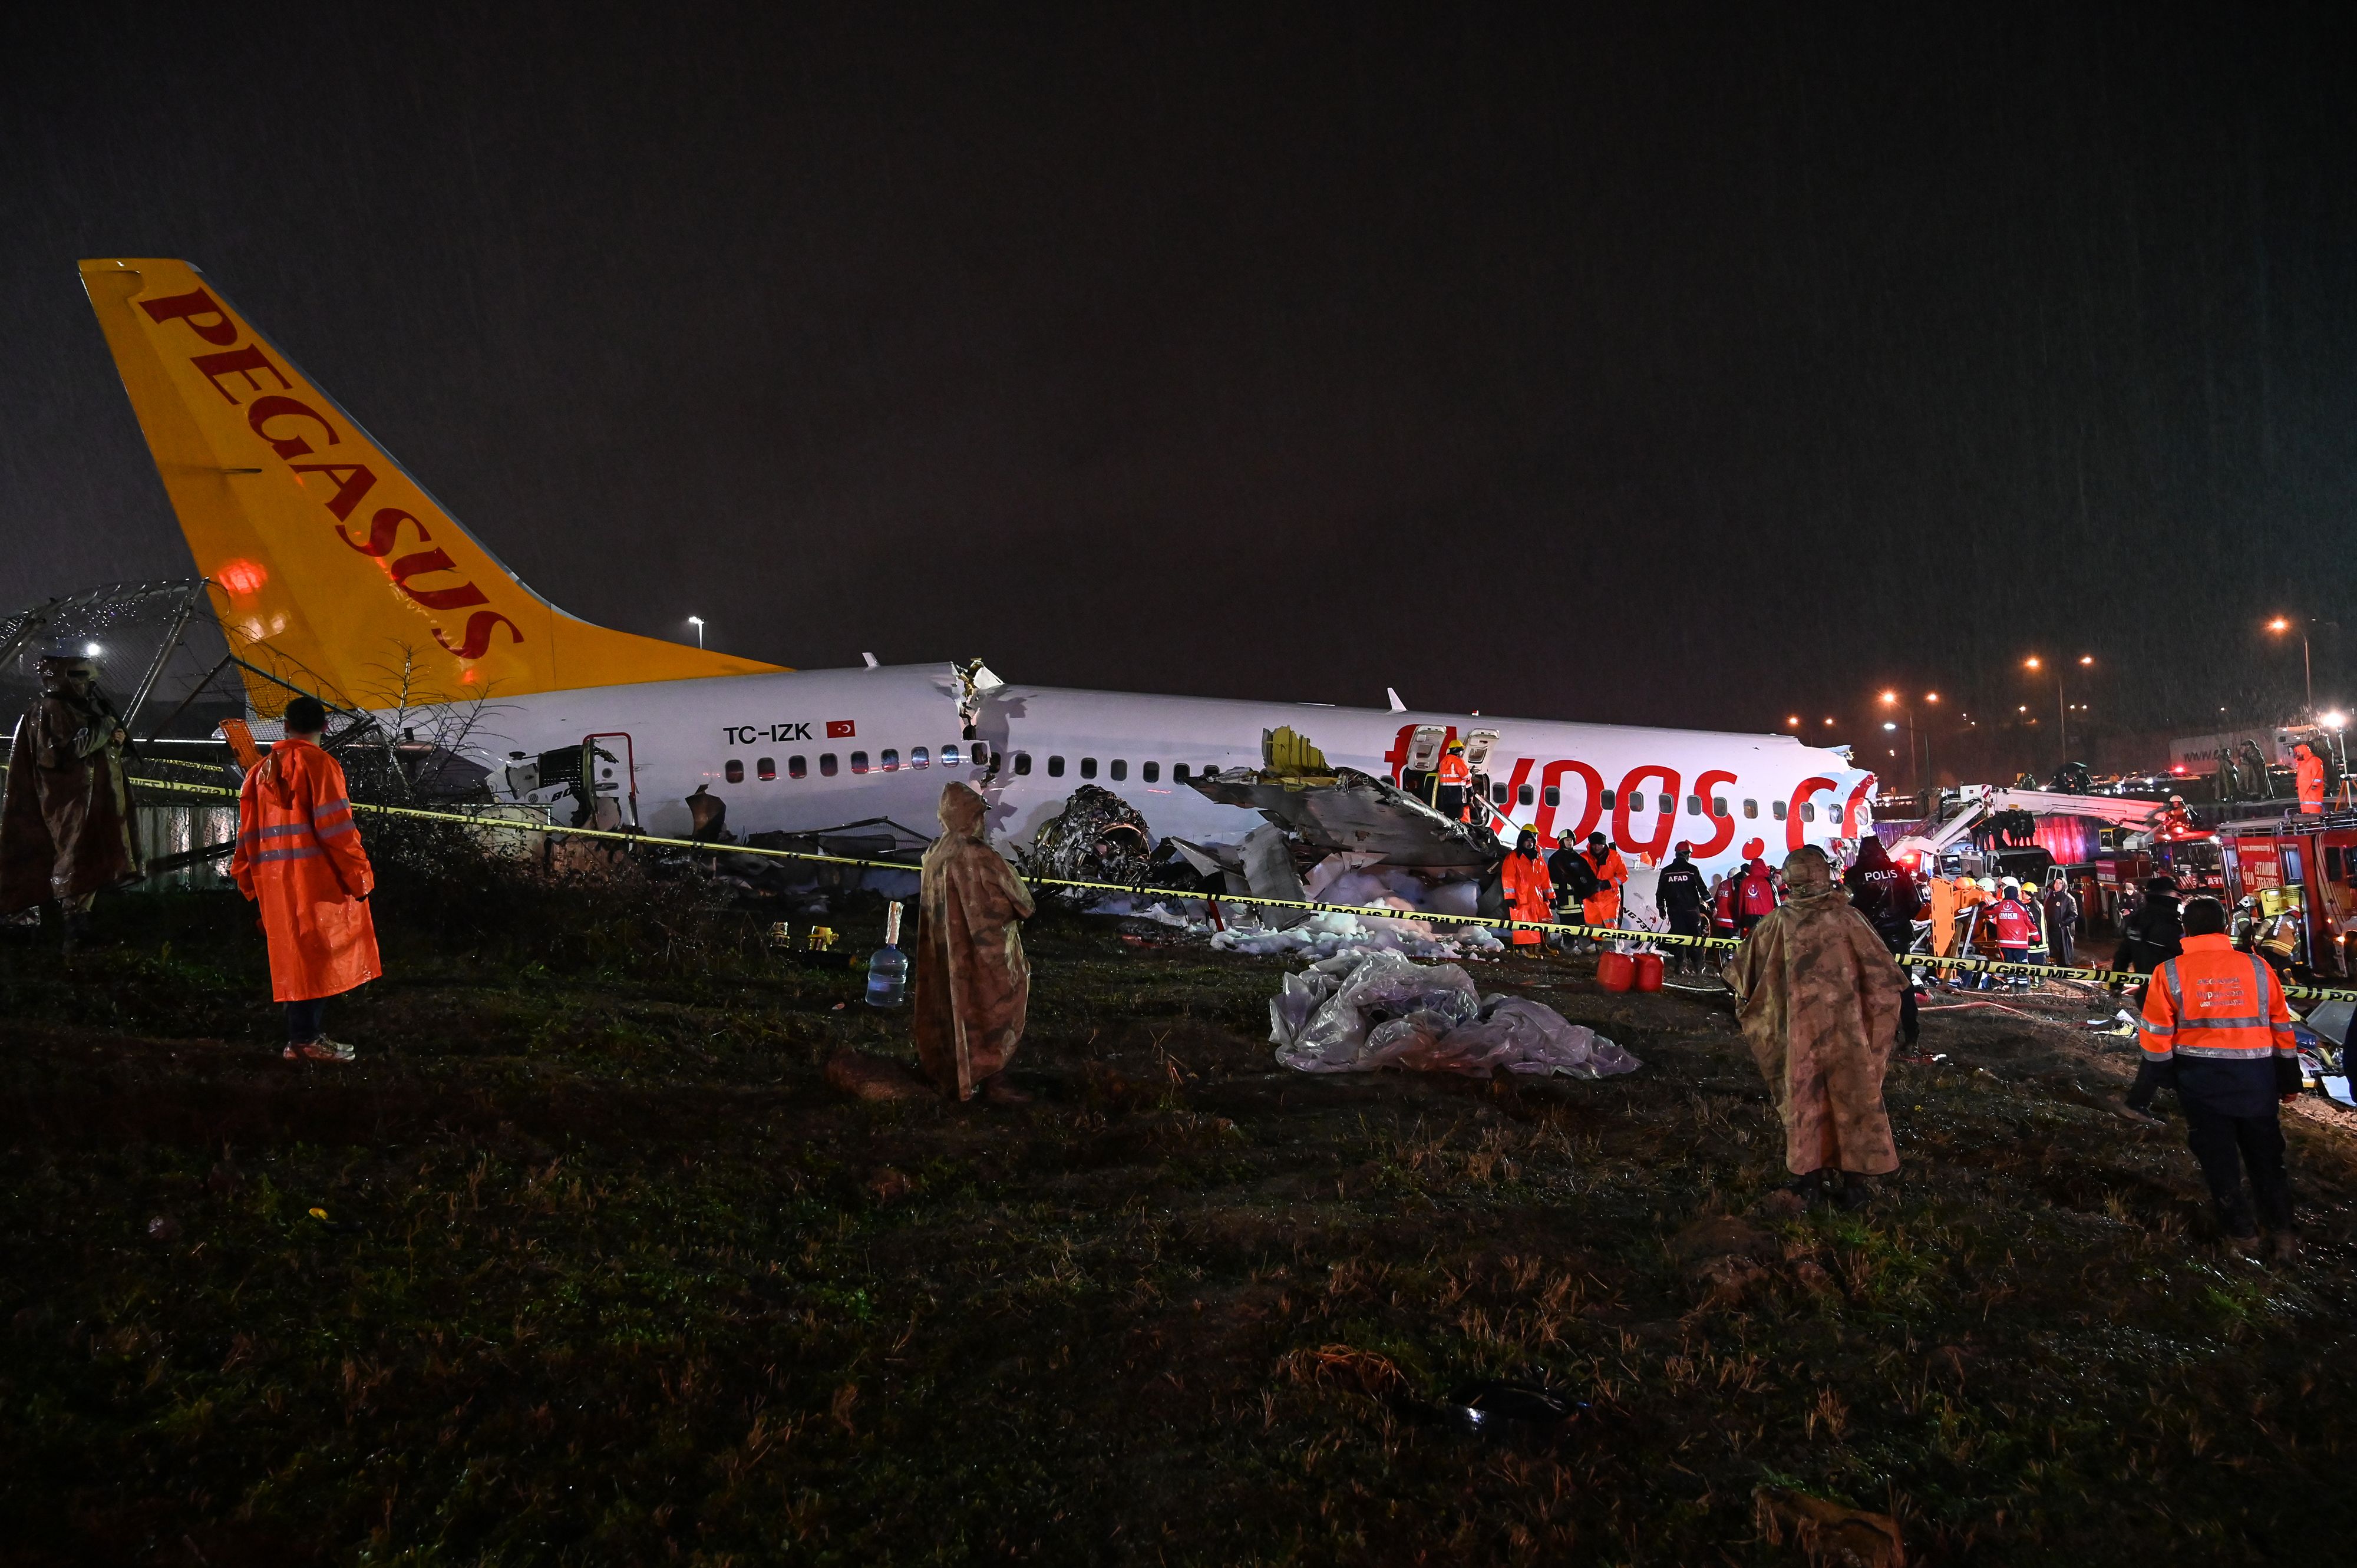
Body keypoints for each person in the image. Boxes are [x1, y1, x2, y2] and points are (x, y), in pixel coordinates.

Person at [1724, 846, 1908, 1210]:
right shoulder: (1850, 920)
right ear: (1824, 875)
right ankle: (1856, 1185)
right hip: (1849, 1040)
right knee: (1855, 1097)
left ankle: (1808, 1181)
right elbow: (1886, 984)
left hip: (1799, 1039)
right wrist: (1876, 1027)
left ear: (1790, 879)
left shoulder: (1777, 923)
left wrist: (1761, 1014)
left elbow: (1743, 980)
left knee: (1804, 1101)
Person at [2131, 896, 2302, 1258]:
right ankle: (2283, 1236)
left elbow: (2155, 1034)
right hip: (2257, 1083)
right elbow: (2282, 1028)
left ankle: (2243, 1238)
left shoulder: (2170, 972)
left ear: (2186, 931)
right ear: (2226, 928)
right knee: (2268, 1161)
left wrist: (2164, 1076)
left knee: (2219, 1163)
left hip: (2201, 1085)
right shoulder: (2257, 968)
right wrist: (2289, 1080)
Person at [230, 697, 379, 1061]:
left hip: (277, 885)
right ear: (325, 727)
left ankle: (301, 1038)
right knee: (318, 959)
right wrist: (359, 877)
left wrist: (250, 881)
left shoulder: (260, 771)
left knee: (294, 959)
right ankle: (305, 1041)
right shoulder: (321, 765)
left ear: (285, 725)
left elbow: (247, 835)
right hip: (318, 883)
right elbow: (339, 829)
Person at [0, 650, 141, 945]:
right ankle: (72, 929)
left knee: (86, 854)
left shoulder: (77, 708)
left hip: (91, 799)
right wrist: (104, 728)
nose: (87, 686)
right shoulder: (50, 709)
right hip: (67, 802)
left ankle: (78, 924)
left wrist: (112, 742)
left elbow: (95, 754)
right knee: (73, 855)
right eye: (80, 678)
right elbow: (68, 752)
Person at [914, 781, 1036, 1104]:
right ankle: (994, 1079)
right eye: (981, 815)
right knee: (995, 1013)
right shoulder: (981, 855)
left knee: (952, 1010)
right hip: (987, 956)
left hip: (944, 955)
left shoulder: (933, 855)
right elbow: (1024, 904)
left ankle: (954, 1076)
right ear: (971, 818)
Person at [1844, 836, 1924, 1039]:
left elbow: (1847, 908)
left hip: (1867, 938)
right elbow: (1916, 904)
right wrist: (1901, 919)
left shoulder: (1854, 875)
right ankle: (1911, 1034)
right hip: (1898, 937)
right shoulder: (1899, 871)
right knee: (1904, 985)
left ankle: (1882, 1035)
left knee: (1872, 986)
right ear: (1881, 849)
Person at [1656, 841, 1711, 972]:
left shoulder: (1666, 871)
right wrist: (1712, 905)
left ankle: (1681, 965)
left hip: (1674, 910)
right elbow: (1702, 889)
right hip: (1691, 910)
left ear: (1676, 854)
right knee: (1695, 937)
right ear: (1688, 854)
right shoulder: (1692, 870)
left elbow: (1660, 892)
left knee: (1679, 937)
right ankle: (1699, 965)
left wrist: (1661, 908)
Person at [1498, 826, 1552, 952]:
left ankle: (1540, 947)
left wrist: (1551, 896)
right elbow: (1508, 878)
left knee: (1543, 921)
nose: (1530, 843)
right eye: (1527, 841)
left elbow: (1545, 878)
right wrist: (1510, 897)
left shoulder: (1537, 857)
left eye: (1532, 841)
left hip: (1538, 898)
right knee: (1524, 926)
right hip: (1522, 899)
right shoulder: (1513, 857)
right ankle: (1523, 949)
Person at [1547, 830, 1603, 950]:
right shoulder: (1555, 859)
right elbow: (1551, 881)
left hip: (1578, 899)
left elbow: (1588, 875)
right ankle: (1569, 946)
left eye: (1571, 840)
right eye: (1567, 840)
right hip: (1564, 899)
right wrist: (1554, 897)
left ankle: (1583, 945)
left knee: (1581, 923)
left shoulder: (1578, 858)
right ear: (1562, 842)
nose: (1570, 842)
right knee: (1567, 925)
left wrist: (1592, 887)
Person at [2119, 876, 2184, 978]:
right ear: (2168, 895)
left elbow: (2123, 955)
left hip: (2147, 987)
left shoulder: (2137, 920)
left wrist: (2116, 986)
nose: (2180, 898)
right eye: (2176, 894)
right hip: (2169, 989)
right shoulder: (2169, 922)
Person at [1579, 831, 1627, 935]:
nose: (1597, 847)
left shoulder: (1615, 857)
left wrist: (1608, 884)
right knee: (1593, 930)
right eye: (1595, 845)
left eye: (1600, 845)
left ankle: (1611, 949)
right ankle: (1597, 948)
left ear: (1604, 844)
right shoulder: (1583, 857)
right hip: (1590, 899)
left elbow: (1623, 876)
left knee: (1611, 929)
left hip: (1610, 898)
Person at [1732, 854, 1779, 935]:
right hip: (1767, 918)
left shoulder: (1745, 881)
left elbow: (1740, 902)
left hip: (1748, 918)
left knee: (1751, 943)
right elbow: (1776, 901)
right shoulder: (1768, 881)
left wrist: (1740, 920)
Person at [2044, 873, 2080, 969]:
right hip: (2051, 928)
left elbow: (2074, 915)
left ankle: (2064, 967)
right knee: (2053, 949)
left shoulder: (2068, 899)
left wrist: (2062, 923)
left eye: (2060, 883)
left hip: (2062, 930)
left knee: (2062, 951)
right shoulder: (2050, 896)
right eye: (2056, 883)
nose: (2057, 885)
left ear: (2064, 885)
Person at [1434, 741, 1471, 823]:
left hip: (1446, 794)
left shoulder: (1443, 762)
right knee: (1458, 817)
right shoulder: (1458, 761)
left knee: (1448, 817)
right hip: (1457, 795)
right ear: (1459, 751)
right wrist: (1471, 774)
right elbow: (1466, 776)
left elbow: (1440, 775)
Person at [2294, 742, 2325, 816]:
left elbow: (2318, 773)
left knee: (2314, 809)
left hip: (2312, 790)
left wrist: (2315, 785)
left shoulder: (2314, 760)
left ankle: (2316, 822)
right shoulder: (2301, 764)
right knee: (2306, 809)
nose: (2298, 754)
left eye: (2299, 752)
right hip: (2304, 791)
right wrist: (2297, 786)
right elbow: (2300, 777)